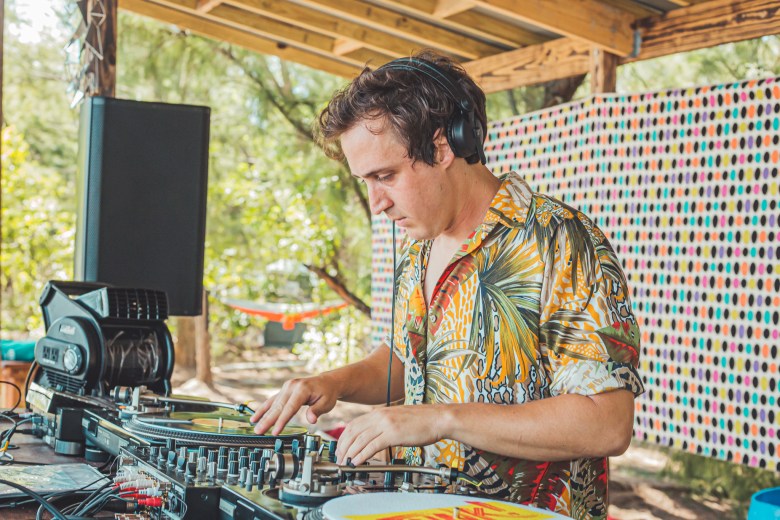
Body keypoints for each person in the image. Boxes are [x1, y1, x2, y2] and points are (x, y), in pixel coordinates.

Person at [251, 50, 644, 519]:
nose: (376, 203)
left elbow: (606, 424)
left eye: (386, 176)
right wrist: (334, 382)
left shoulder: (558, 239)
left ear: (443, 146)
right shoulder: (419, 245)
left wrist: (442, 419)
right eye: (366, 181)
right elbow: (408, 363)